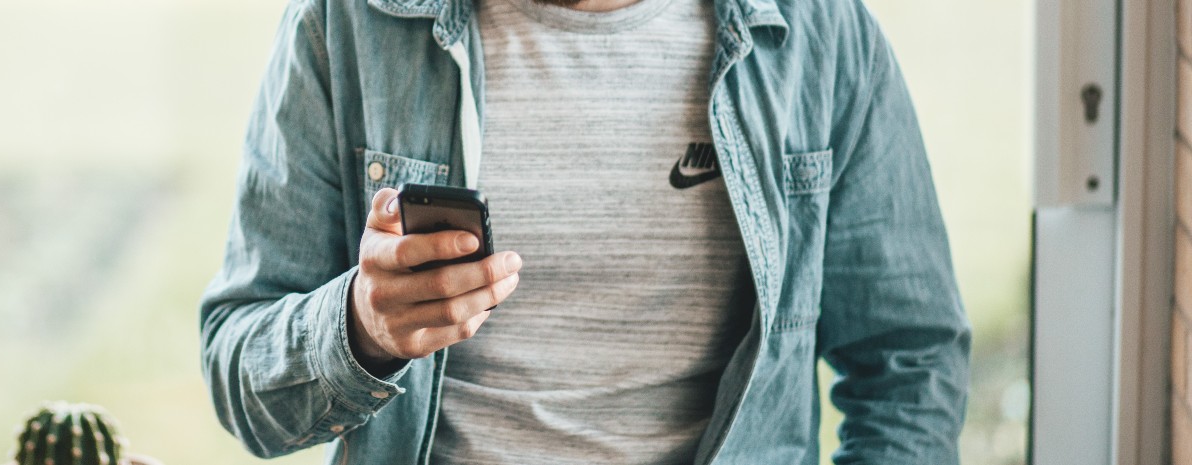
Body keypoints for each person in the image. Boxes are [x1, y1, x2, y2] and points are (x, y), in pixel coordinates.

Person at [199, 0, 971, 462]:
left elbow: (908, 358)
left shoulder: (819, 35)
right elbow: (241, 374)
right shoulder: (350, 23)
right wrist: (360, 328)